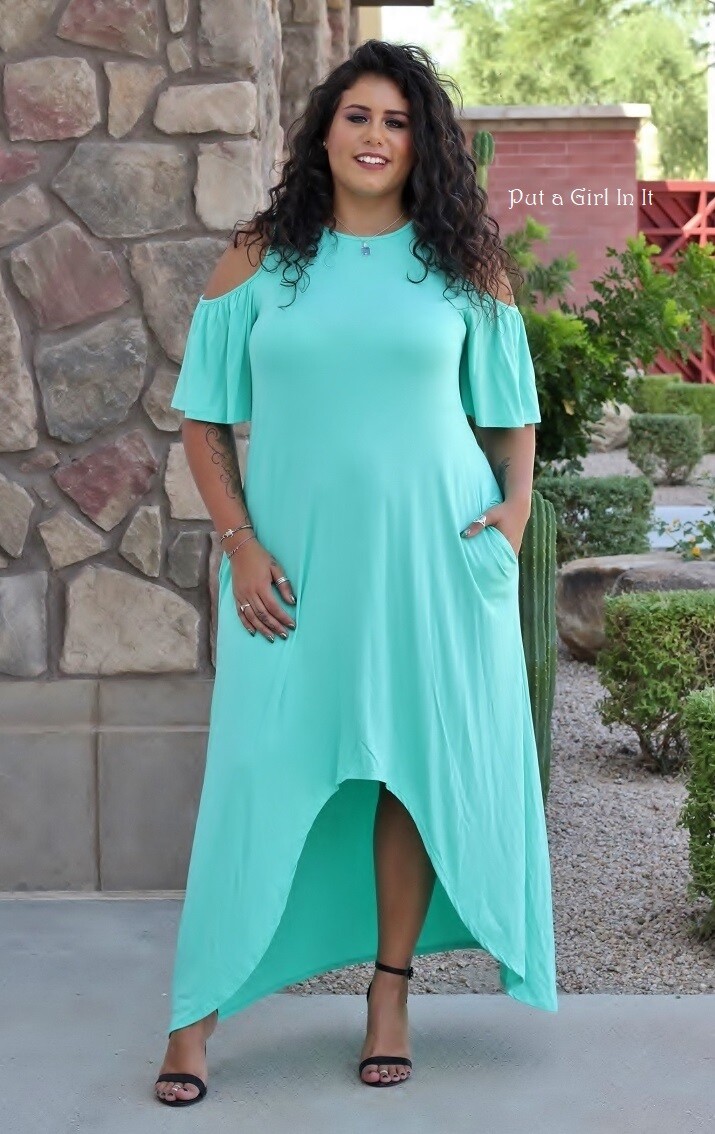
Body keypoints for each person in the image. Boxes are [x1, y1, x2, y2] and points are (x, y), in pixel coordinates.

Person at [153, 39, 557, 1107]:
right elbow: (203, 417)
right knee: (253, 775)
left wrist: (512, 516)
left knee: (409, 774)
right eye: (359, 116)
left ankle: (390, 995)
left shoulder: (462, 261)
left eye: (398, 121)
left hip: (435, 565)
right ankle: (194, 1013)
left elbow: (509, 415)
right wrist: (238, 542)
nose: (377, 137)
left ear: (423, 144)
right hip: (287, 573)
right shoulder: (259, 257)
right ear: (323, 132)